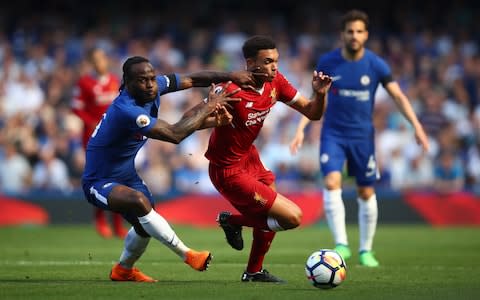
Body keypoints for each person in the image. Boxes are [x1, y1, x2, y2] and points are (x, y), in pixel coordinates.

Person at [82, 55, 259, 282]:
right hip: (98, 181)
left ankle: (123, 270)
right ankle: (188, 255)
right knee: (140, 204)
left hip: (127, 176)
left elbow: (194, 79)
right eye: (142, 81)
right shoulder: (126, 110)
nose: (149, 85)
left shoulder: (155, 87)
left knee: (145, 224)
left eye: (151, 79)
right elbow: (175, 134)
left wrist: (231, 76)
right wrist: (209, 106)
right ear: (127, 82)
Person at [289, 10, 430, 267]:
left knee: (366, 191)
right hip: (333, 134)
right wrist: (301, 128)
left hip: (363, 137)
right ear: (342, 35)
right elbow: (315, 98)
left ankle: (366, 250)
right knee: (332, 181)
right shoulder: (329, 62)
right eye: (349, 31)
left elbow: (398, 96)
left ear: (366, 35)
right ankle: (341, 244)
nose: (354, 36)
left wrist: (416, 125)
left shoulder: (376, 65)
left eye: (359, 31)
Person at [205, 35, 332, 283]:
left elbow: (312, 113)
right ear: (251, 63)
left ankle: (253, 272)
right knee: (292, 218)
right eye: (268, 61)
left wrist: (319, 95)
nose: (275, 66)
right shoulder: (231, 90)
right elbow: (197, 119)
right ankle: (229, 220)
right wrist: (211, 116)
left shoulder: (276, 82)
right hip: (227, 169)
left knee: (271, 216)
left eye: (276, 60)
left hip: (250, 158)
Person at [72, 47, 128, 239]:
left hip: (115, 136)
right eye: (95, 59)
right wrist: (92, 122)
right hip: (93, 137)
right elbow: (76, 108)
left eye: (101, 58)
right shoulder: (84, 82)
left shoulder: (115, 81)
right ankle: (100, 220)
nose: (99, 62)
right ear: (91, 63)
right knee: (100, 179)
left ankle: (118, 223)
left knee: (118, 178)